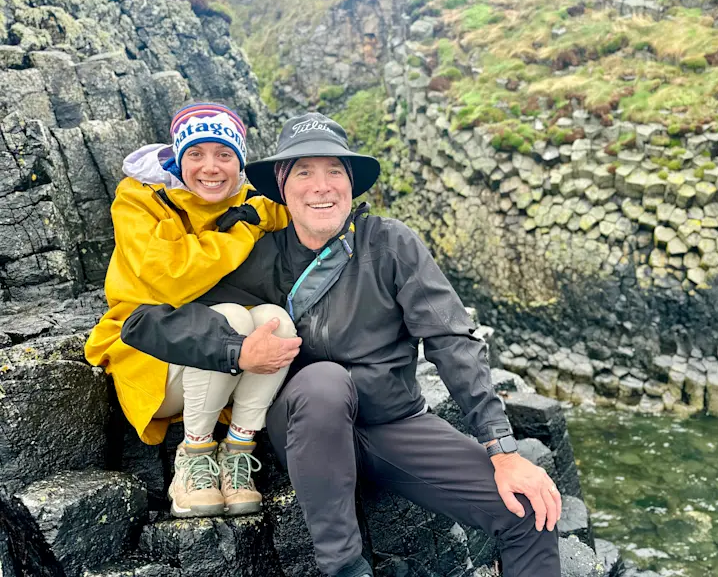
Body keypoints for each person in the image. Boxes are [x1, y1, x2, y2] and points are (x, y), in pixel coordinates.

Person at [120, 112, 562, 577]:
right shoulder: (257, 256)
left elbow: (452, 339)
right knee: (325, 381)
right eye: (304, 172)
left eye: (334, 171)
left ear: (351, 184)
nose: (321, 186)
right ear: (282, 188)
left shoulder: (391, 244)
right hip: (306, 425)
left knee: (530, 511)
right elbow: (142, 321)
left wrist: (503, 450)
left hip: (395, 425)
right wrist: (236, 351)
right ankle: (345, 568)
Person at [85, 102, 301, 519]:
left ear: (239, 162)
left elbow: (308, 214)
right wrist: (242, 231)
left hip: (224, 362)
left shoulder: (250, 198)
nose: (211, 168)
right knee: (231, 320)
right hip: (148, 347)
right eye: (196, 154)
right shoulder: (138, 199)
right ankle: (194, 456)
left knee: (277, 322)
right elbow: (168, 277)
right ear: (178, 157)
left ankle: (238, 453)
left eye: (225, 155)